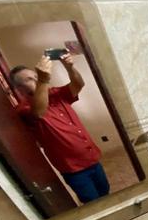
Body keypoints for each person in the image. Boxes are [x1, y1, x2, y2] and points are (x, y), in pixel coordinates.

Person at [9, 53, 110, 203]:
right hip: (74, 170)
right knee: (93, 202)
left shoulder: (55, 94)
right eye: (29, 79)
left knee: (105, 193)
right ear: (19, 89)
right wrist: (43, 79)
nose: (36, 79)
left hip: (92, 158)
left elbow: (78, 84)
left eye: (36, 76)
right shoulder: (23, 110)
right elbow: (39, 112)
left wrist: (70, 68)